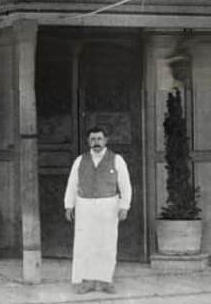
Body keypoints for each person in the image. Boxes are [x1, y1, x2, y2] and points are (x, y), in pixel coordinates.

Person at [63, 125, 132, 294]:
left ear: (106, 140)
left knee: (106, 243)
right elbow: (72, 184)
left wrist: (124, 206)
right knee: (85, 243)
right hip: (85, 206)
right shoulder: (80, 160)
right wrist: (69, 205)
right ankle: (86, 281)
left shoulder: (117, 159)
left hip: (108, 206)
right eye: (93, 139)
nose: (96, 142)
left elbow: (125, 185)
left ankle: (105, 280)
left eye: (99, 139)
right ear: (88, 141)